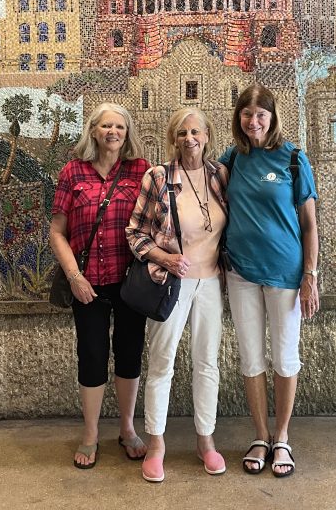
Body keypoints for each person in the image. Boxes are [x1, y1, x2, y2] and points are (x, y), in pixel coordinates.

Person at [220, 84, 320, 478]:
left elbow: (310, 225)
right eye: (247, 114)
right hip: (241, 272)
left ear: (273, 117)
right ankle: (259, 435)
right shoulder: (233, 159)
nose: (254, 121)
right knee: (250, 358)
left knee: (284, 356)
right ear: (239, 118)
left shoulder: (294, 159)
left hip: (285, 274)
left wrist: (310, 275)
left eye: (261, 114)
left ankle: (282, 437)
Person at [125, 107, 229, 483]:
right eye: (183, 133)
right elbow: (135, 233)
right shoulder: (158, 177)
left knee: (207, 363)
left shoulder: (220, 176)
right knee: (162, 362)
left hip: (211, 284)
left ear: (207, 136)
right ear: (174, 138)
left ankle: (206, 440)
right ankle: (156, 445)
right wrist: (165, 258)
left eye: (196, 132)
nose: (190, 139)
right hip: (170, 284)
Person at [50, 103, 150, 469]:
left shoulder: (141, 170)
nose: (113, 132)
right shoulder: (72, 172)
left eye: (120, 126)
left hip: (129, 283)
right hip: (87, 284)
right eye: (106, 125)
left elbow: (157, 221)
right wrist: (74, 276)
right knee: (91, 355)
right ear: (93, 130)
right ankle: (90, 433)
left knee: (129, 354)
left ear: (127, 132)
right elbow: (57, 232)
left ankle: (127, 428)